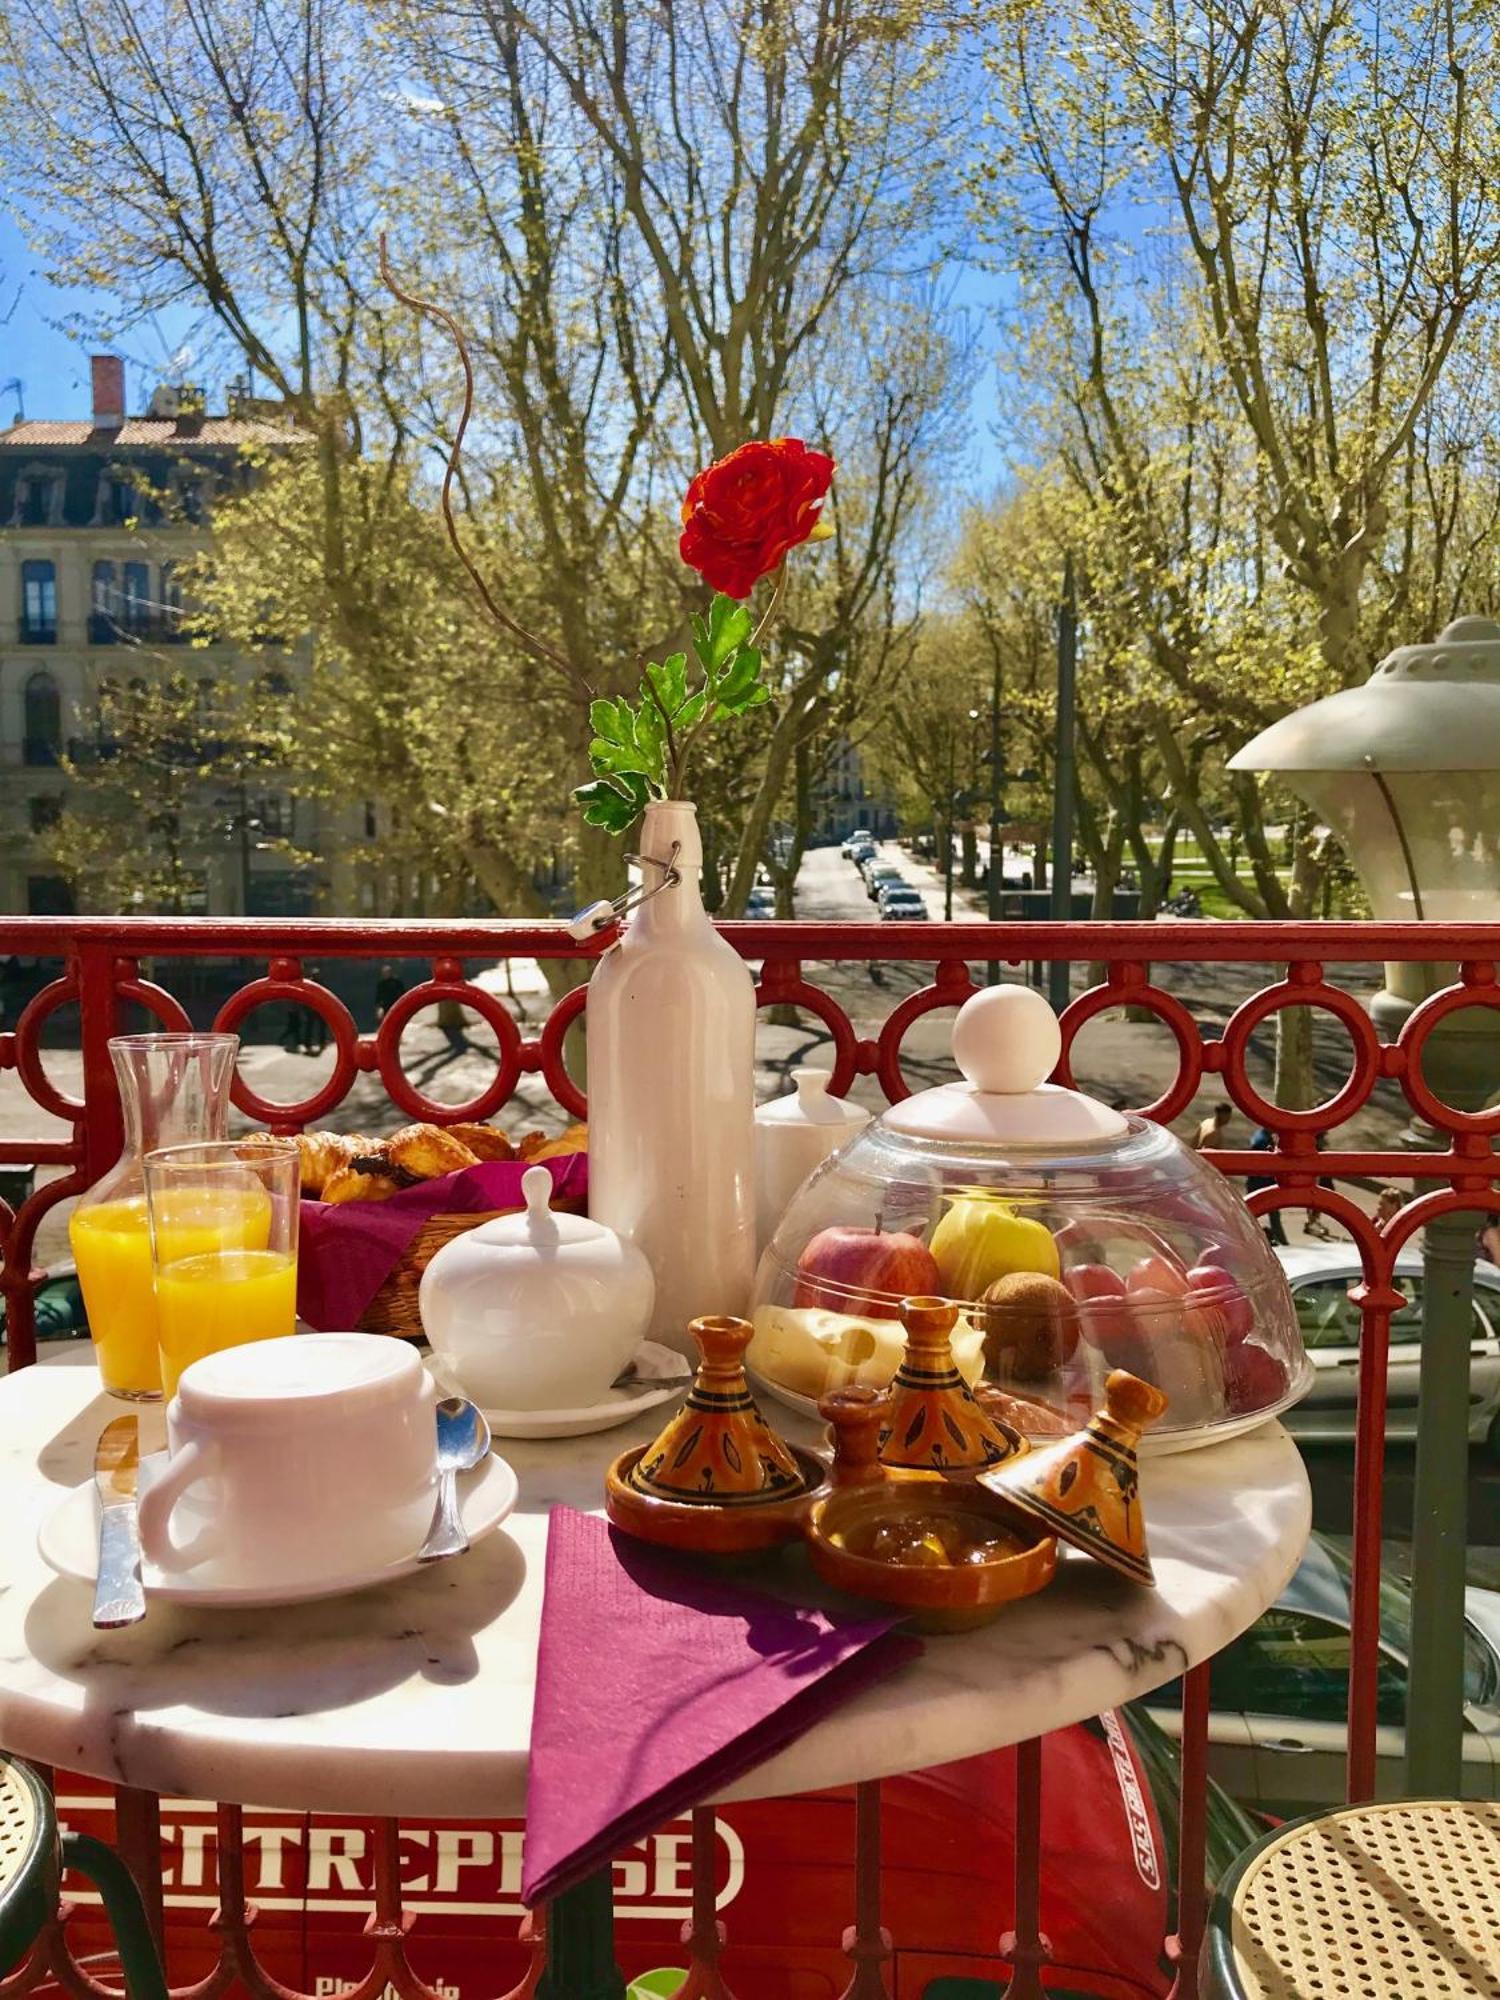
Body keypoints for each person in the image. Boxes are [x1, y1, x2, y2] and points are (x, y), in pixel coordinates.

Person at [1247, 1125, 1287, 1246]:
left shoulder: (1259, 1136)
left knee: (1252, 1214)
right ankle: (1282, 1241)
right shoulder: (1262, 1141)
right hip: (1262, 1183)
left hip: (1256, 1182)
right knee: (1272, 1214)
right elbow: (1258, 1163)